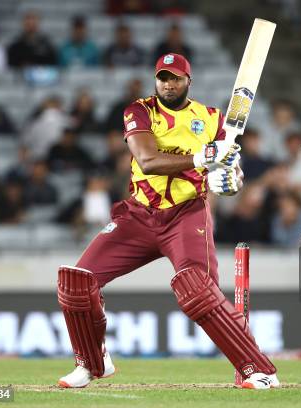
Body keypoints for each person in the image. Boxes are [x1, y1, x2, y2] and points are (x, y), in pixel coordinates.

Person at [56, 53, 279, 390]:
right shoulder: (139, 110)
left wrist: (231, 178)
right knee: (77, 282)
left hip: (186, 214)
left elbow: (229, 168)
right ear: (155, 80)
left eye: (175, 77)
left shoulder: (212, 118)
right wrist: (203, 157)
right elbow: (146, 160)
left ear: (188, 80)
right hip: (138, 215)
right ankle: (92, 360)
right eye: (163, 77)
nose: (168, 83)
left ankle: (260, 370)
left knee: (199, 292)